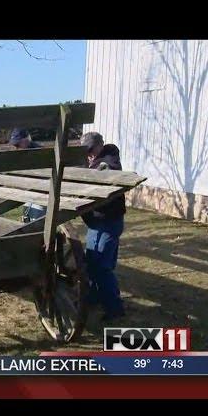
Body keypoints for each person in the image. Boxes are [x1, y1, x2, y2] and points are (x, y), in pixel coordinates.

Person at [80, 131, 126, 320]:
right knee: (91, 262)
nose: (89, 154)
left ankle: (114, 308)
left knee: (102, 266)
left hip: (108, 221)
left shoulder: (109, 159)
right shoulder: (90, 160)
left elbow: (110, 169)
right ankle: (95, 296)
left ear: (100, 145)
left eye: (91, 149)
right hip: (96, 222)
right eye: (86, 151)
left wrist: (96, 167)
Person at [9, 128, 46, 222]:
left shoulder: (40, 153)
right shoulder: (22, 155)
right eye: (15, 145)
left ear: (27, 139)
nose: (16, 147)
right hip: (30, 193)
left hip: (42, 194)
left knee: (36, 218)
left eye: (18, 144)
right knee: (26, 215)